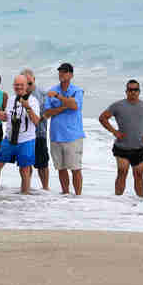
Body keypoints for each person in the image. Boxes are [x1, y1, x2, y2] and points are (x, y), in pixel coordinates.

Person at [99, 79, 143, 197]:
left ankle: (140, 202)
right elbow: (103, 118)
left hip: (140, 147)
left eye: (135, 90)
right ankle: (117, 201)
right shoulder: (117, 105)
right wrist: (114, 132)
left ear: (139, 91)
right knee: (122, 172)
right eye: (130, 90)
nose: (133, 92)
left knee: (138, 175)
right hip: (122, 147)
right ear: (126, 91)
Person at [0, 75, 42, 194]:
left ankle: (24, 197)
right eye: (16, 85)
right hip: (9, 139)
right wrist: (3, 116)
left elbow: (37, 122)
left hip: (26, 140)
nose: (19, 87)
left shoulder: (33, 100)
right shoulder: (11, 99)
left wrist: (28, 108)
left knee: (24, 170)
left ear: (26, 86)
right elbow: (8, 118)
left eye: (21, 85)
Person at [43, 62, 85, 195]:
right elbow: (47, 114)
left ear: (71, 75)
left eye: (65, 71)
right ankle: (65, 195)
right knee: (60, 168)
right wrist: (65, 105)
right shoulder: (52, 89)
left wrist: (58, 97)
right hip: (56, 135)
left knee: (75, 168)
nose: (62, 73)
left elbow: (75, 106)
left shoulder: (76, 91)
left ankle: (78, 196)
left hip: (73, 136)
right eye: (60, 71)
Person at [22, 68, 50, 190]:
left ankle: (45, 188)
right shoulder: (20, 93)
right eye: (25, 83)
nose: (27, 86)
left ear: (34, 80)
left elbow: (48, 111)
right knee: (26, 164)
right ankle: (27, 189)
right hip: (24, 135)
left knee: (42, 164)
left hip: (39, 133)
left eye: (30, 83)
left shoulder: (43, 93)